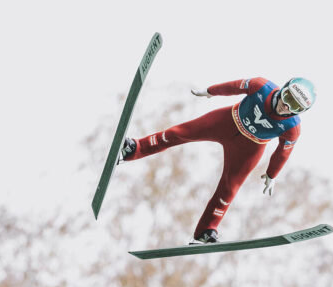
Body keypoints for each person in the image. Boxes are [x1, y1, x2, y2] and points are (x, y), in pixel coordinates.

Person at [119, 77, 317, 244]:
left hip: (249, 148)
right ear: (283, 89)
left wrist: (272, 174)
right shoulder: (261, 86)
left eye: (295, 106)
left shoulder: (292, 127)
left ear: (300, 112)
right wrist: (210, 91)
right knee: (179, 133)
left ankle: (205, 232)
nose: (286, 106)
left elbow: (283, 152)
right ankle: (134, 148)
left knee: (229, 189)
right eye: (288, 97)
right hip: (226, 121)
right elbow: (234, 86)